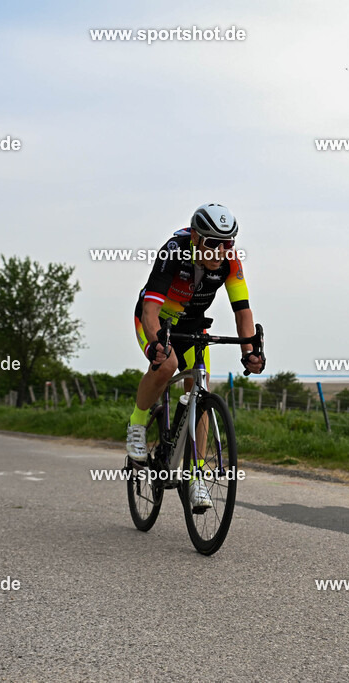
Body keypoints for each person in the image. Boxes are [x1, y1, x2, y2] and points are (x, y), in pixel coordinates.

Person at [127, 203, 264, 511]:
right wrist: (153, 345)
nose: (221, 251)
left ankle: (194, 475)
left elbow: (242, 311)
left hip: (191, 326)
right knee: (169, 364)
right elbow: (149, 310)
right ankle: (136, 425)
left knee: (201, 393)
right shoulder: (174, 251)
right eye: (213, 243)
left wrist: (249, 352)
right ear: (197, 238)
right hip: (154, 321)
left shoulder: (230, 262)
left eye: (227, 243)